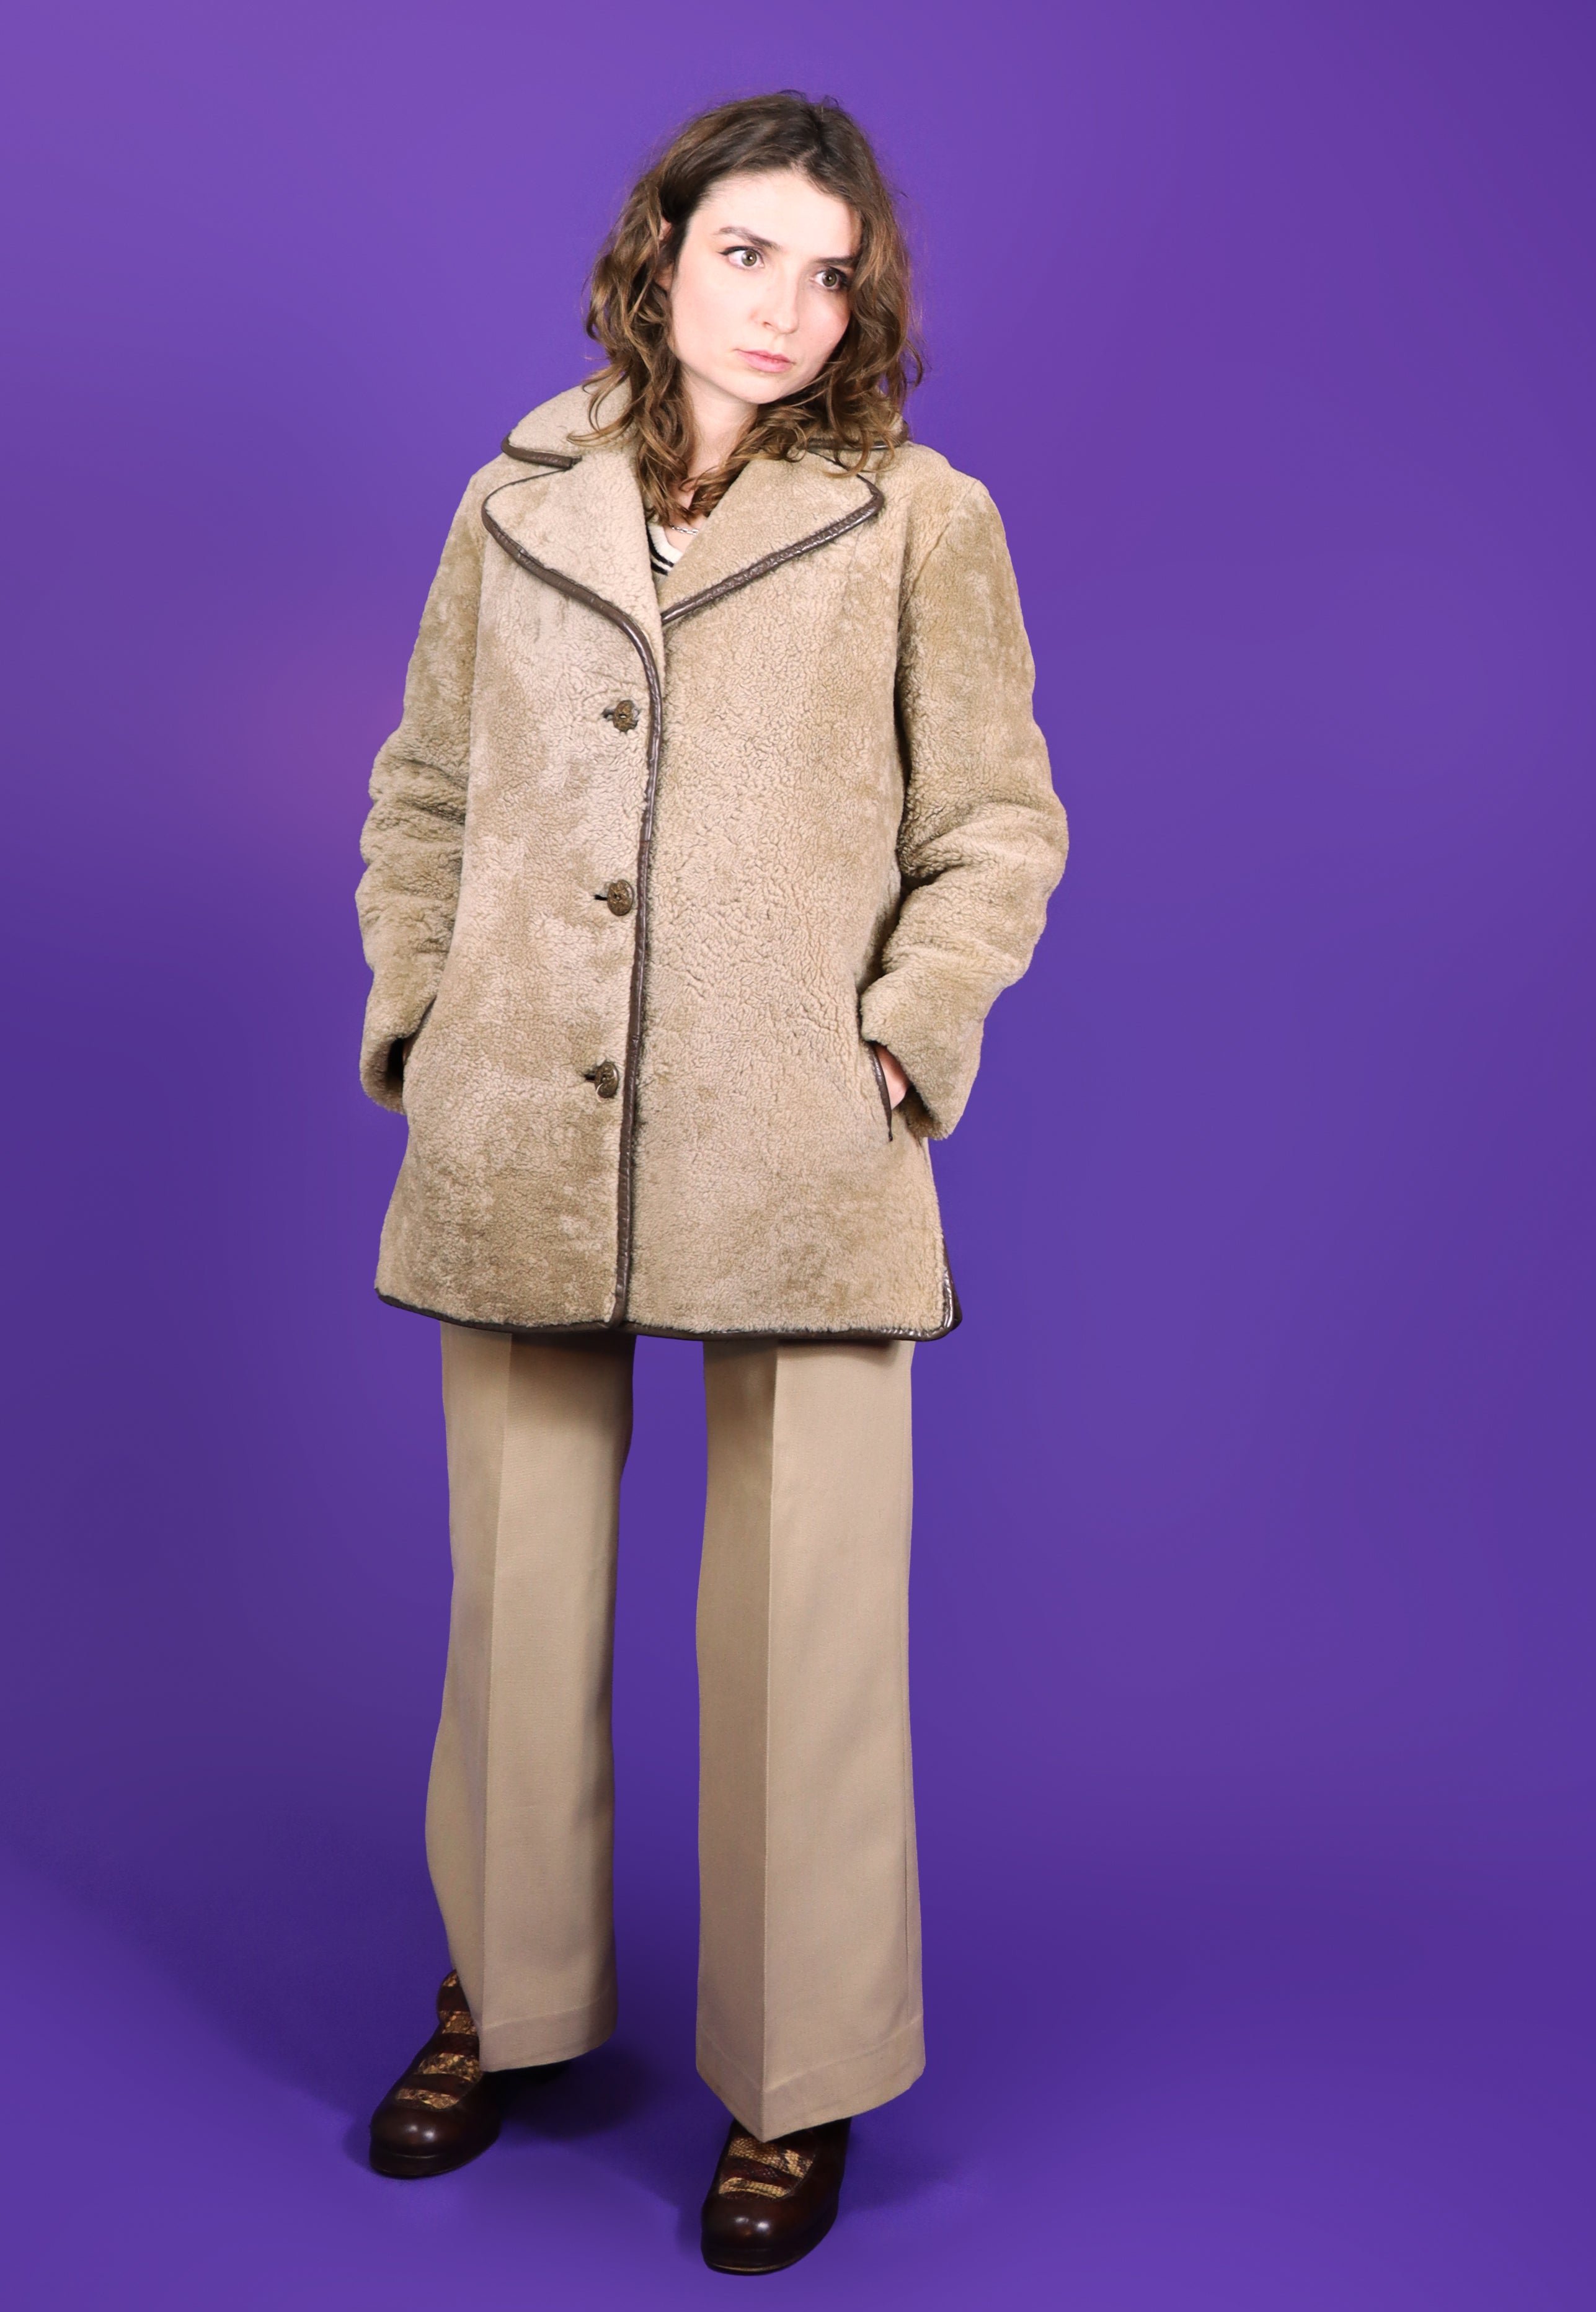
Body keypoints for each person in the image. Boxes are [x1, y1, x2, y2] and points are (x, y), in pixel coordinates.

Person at [353, 90, 1066, 2274]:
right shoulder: (516, 497)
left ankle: (801, 2076)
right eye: (747, 252)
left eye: (829, 274)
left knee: (806, 1631)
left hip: (799, 1144)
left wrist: (905, 1038)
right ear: (660, 250)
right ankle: (508, 1996)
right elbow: (427, 786)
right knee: (516, 1591)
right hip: (522, 1118)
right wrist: (422, 1018)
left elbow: (996, 823)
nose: (785, 308)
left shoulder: (920, 519)